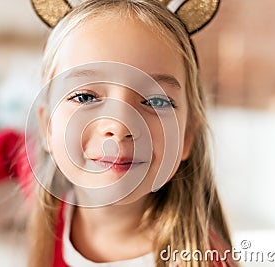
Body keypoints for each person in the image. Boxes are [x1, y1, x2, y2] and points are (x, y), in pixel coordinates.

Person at [25, 0, 236, 266]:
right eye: (85, 97)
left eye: (157, 101)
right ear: (48, 127)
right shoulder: (50, 203)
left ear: (186, 136)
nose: (120, 126)